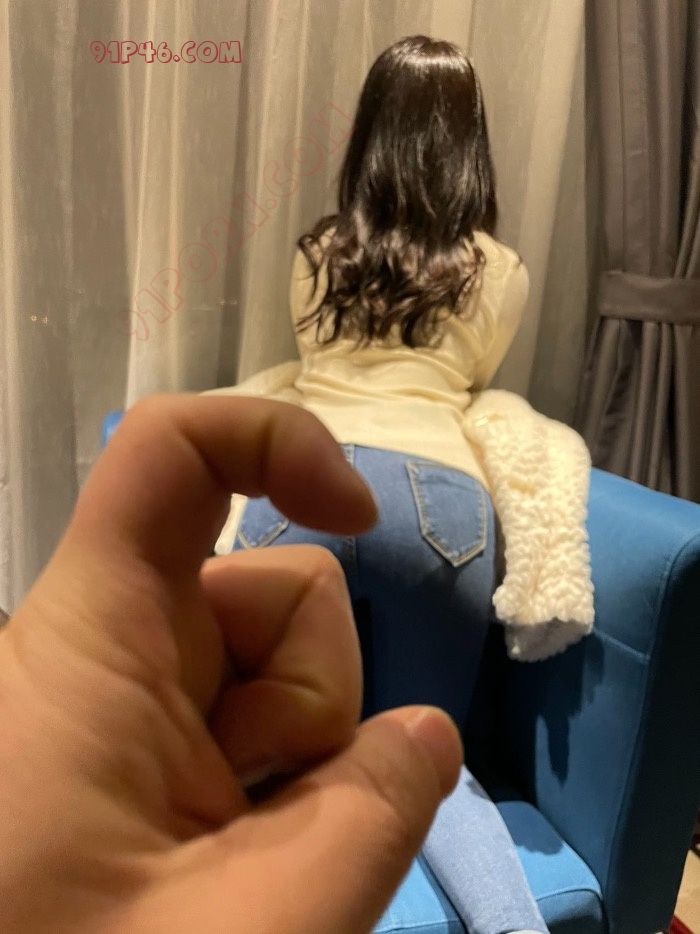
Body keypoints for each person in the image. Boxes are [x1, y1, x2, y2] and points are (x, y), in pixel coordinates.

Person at [228, 35, 550, 934]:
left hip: (307, 486)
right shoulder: (499, 271)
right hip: (437, 505)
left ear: (369, 129)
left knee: (254, 753)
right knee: (429, 761)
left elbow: (313, 365)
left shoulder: (316, 254)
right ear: (469, 140)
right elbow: (472, 380)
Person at [0, 394, 464, 932]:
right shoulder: (458, 387)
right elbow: (517, 435)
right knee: (455, 749)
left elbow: (263, 393)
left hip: (292, 503)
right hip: (441, 493)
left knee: (300, 749)